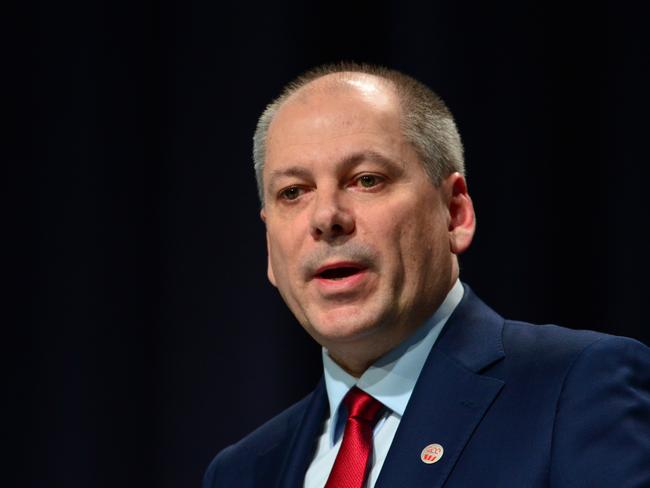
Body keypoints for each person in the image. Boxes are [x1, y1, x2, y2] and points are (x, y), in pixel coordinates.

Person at [203, 63, 650, 487]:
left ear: (455, 213)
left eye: (366, 179)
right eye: (294, 192)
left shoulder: (576, 388)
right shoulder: (243, 471)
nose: (326, 217)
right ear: (269, 247)